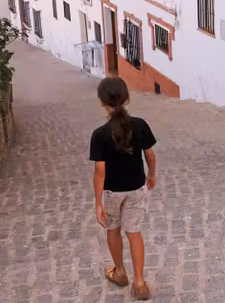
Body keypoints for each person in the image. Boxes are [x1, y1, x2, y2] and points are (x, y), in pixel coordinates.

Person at [90, 76, 157, 300]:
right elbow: (150, 155)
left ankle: (119, 272)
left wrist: (98, 202)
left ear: (102, 102)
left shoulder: (100, 135)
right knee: (134, 232)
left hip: (111, 193)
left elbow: (100, 171)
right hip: (137, 188)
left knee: (113, 230)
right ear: (127, 98)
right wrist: (152, 175)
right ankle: (139, 282)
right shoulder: (139, 125)